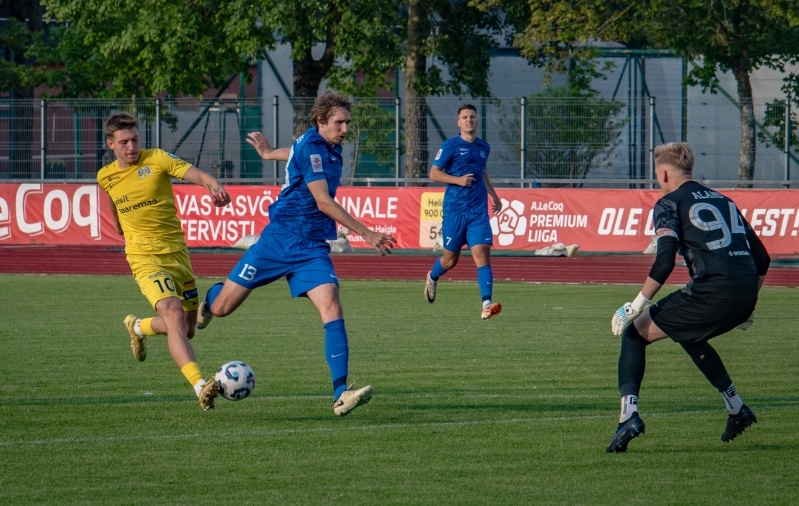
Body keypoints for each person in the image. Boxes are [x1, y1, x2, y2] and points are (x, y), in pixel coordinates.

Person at [195, 91, 397, 416]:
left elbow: (293, 153)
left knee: (332, 305)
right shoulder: (312, 147)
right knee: (222, 308)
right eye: (339, 122)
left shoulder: (326, 146)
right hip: (278, 240)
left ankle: (341, 393)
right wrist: (367, 233)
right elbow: (323, 201)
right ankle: (208, 301)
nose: (345, 129)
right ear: (320, 121)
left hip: (312, 247)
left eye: (347, 122)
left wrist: (268, 153)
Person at [606, 142, 770, 453]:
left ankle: (628, 417)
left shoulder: (669, 203)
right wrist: (751, 303)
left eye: (657, 175)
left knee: (634, 334)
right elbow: (762, 258)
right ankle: (737, 409)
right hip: (745, 295)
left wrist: (635, 306)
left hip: (711, 293)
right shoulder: (725, 200)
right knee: (686, 331)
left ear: (664, 174)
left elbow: (664, 261)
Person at [97, 112, 231, 411]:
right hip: (143, 257)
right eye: (124, 142)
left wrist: (214, 186)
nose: (131, 146)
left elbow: (197, 174)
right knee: (173, 315)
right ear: (111, 144)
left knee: (187, 329)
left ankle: (139, 327)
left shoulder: (157, 158)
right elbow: (115, 211)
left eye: (135, 139)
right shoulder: (105, 176)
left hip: (177, 254)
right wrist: (125, 229)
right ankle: (200, 385)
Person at [423, 104, 503, 320]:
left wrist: (494, 195)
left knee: (482, 254)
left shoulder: (483, 147)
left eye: (472, 116)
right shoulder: (450, 146)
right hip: (455, 211)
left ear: (477, 120)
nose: (469, 120)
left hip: (478, 211)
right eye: (465, 117)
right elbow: (434, 173)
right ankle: (432, 276)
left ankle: (486, 305)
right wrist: (457, 180)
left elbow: (481, 171)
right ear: (459, 122)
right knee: (450, 260)